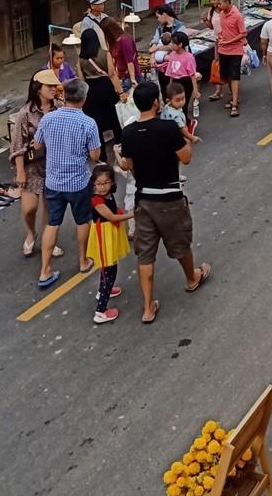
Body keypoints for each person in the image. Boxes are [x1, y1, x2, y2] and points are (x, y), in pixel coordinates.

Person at [120, 81, 210, 324]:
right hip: (169, 196)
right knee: (180, 242)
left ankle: (148, 307)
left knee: (145, 254)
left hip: (143, 200)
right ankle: (192, 278)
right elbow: (186, 158)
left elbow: (127, 165)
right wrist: (187, 139)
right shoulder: (168, 128)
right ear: (156, 103)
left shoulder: (128, 133)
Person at [33, 79, 101, 290]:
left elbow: (37, 145)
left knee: (53, 223)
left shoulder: (48, 119)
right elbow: (94, 155)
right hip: (78, 181)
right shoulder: (88, 123)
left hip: (53, 180)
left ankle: (45, 270)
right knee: (82, 220)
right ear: (83, 98)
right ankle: (82, 261)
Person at [10, 69, 64, 259]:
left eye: (54, 86)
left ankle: (49, 241)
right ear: (38, 88)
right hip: (32, 166)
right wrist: (20, 172)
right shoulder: (25, 114)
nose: (53, 89)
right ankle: (32, 233)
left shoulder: (60, 107)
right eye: (49, 86)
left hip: (54, 164)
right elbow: (17, 145)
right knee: (29, 208)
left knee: (50, 207)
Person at [87, 164, 133, 324]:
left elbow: (113, 212)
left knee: (108, 267)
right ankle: (101, 310)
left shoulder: (107, 196)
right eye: (98, 183)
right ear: (94, 184)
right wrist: (132, 214)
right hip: (103, 236)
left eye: (105, 183)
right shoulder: (97, 200)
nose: (102, 187)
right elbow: (112, 218)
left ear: (112, 182)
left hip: (109, 235)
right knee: (109, 271)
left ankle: (102, 292)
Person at [78, 29, 124, 156]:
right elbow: (112, 74)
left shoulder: (81, 58)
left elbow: (81, 79)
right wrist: (120, 92)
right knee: (115, 120)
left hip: (91, 91)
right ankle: (120, 149)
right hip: (106, 89)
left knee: (96, 124)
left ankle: (102, 155)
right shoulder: (105, 54)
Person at [214, 0, 246, 117]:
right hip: (223, 50)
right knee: (226, 76)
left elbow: (243, 33)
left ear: (227, 2)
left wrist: (229, 41)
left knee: (234, 76)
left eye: (220, 3)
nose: (218, 6)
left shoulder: (237, 16)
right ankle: (233, 96)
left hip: (235, 50)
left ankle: (234, 104)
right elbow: (223, 29)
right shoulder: (221, 14)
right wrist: (222, 38)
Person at [161, 31, 200, 121]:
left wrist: (195, 89)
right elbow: (170, 71)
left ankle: (184, 121)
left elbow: (192, 74)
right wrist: (169, 85)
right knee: (175, 104)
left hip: (185, 82)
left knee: (183, 105)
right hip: (175, 81)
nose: (171, 45)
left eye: (173, 43)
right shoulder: (172, 55)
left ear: (180, 44)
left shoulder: (189, 57)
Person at [101, 17, 140, 93]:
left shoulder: (125, 40)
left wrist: (132, 79)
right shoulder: (113, 41)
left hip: (129, 77)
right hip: (122, 76)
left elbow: (130, 61)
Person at [161, 79, 200, 145]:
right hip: (176, 138)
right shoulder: (176, 115)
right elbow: (182, 129)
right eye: (177, 100)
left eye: (183, 98)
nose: (181, 102)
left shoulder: (167, 107)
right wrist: (192, 138)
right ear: (168, 100)